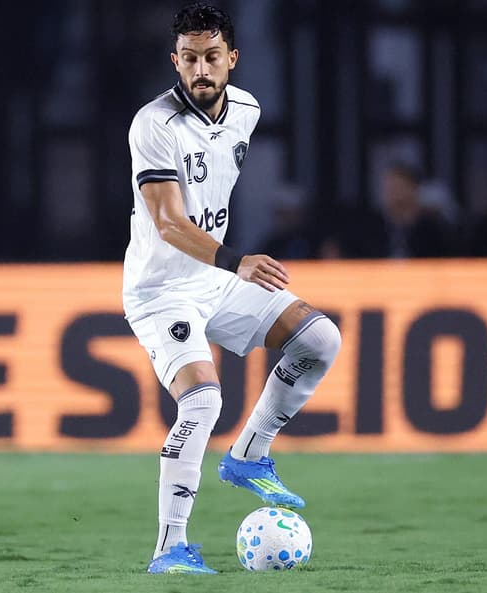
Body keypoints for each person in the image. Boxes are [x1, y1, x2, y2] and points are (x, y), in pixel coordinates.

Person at [123, 2, 341, 574]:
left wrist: (227, 268)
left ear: (232, 60)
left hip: (214, 279)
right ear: (175, 61)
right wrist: (236, 260)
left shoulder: (246, 109)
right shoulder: (153, 125)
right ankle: (170, 547)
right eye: (189, 58)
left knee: (320, 340)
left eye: (211, 57)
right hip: (161, 290)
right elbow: (169, 223)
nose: (200, 69)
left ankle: (249, 455)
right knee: (202, 400)